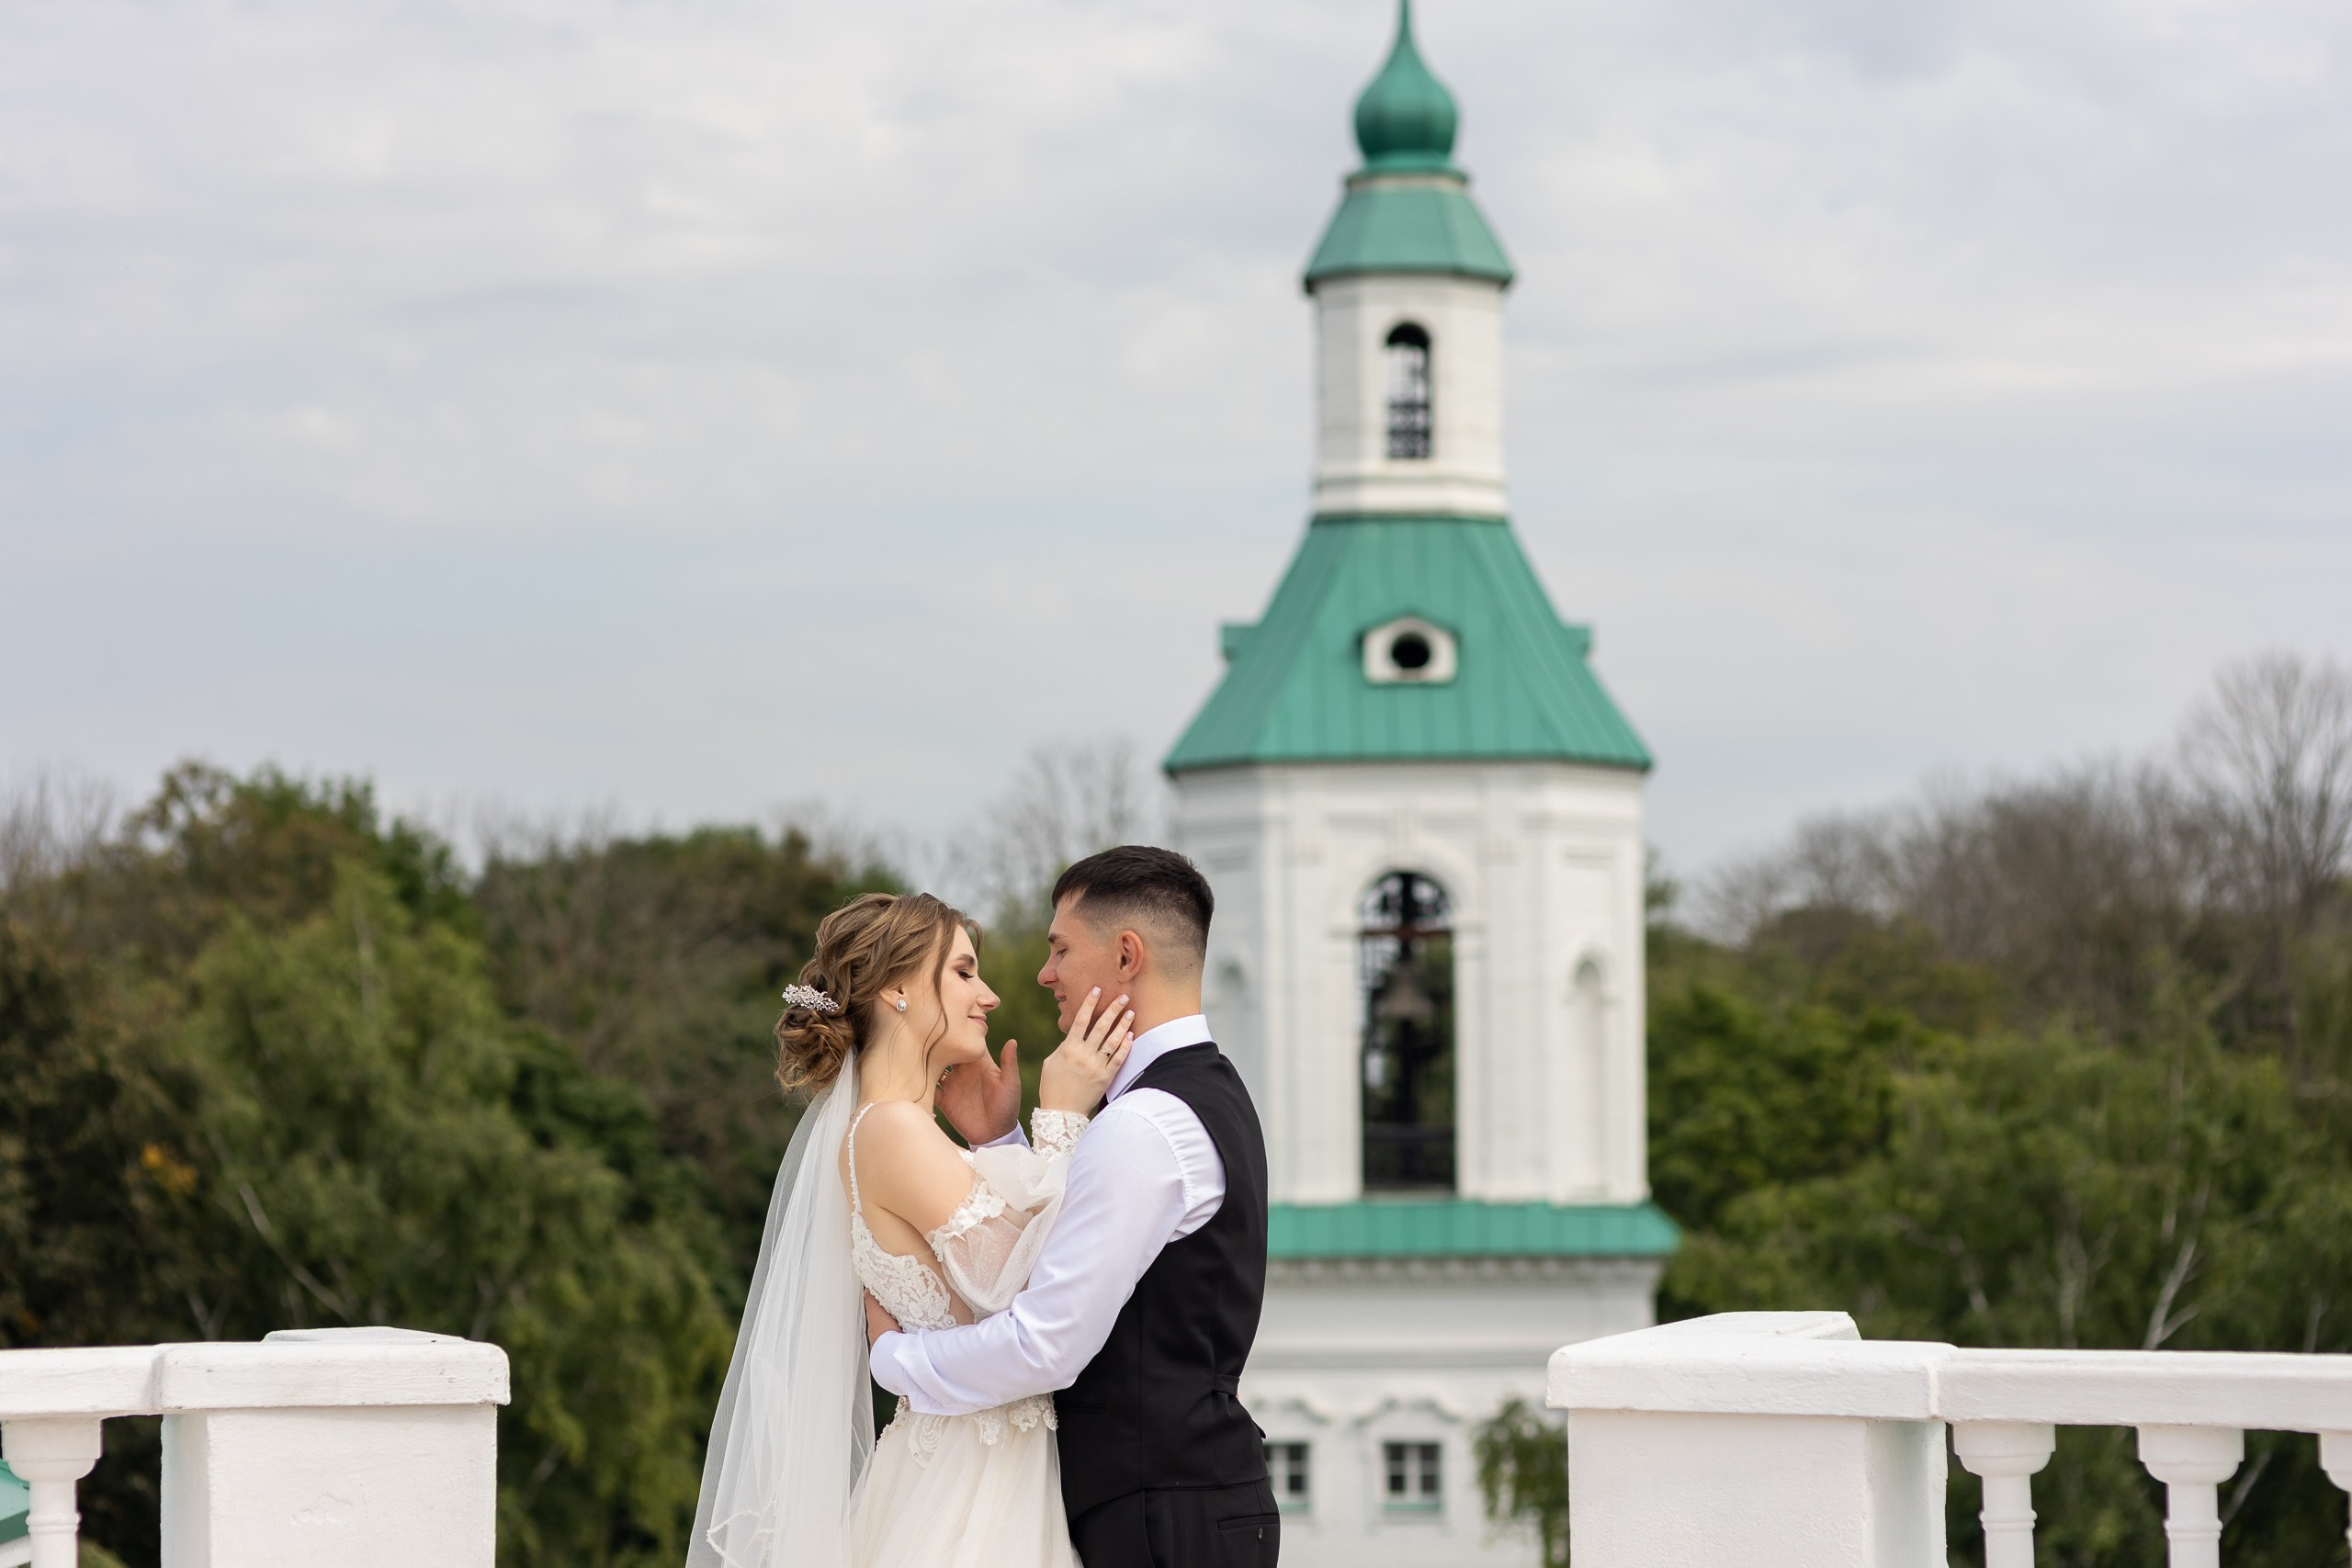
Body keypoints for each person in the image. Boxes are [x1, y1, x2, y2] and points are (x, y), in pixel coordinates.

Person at [687, 889, 1136, 1568]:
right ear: (897, 989)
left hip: (978, 1468)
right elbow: (1016, 1286)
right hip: (969, 1489)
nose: (988, 995)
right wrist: (1065, 1117)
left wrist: (998, 1136)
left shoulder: (903, 1131)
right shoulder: (890, 1127)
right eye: (962, 971)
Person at [868, 846, 1280, 1568]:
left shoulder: (1143, 1123)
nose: (1042, 973)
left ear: (1127, 955)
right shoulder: (1199, 1096)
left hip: (1159, 1516)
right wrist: (1005, 1137)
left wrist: (897, 1359)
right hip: (1177, 1503)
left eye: (1060, 948)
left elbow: (1045, 1342)